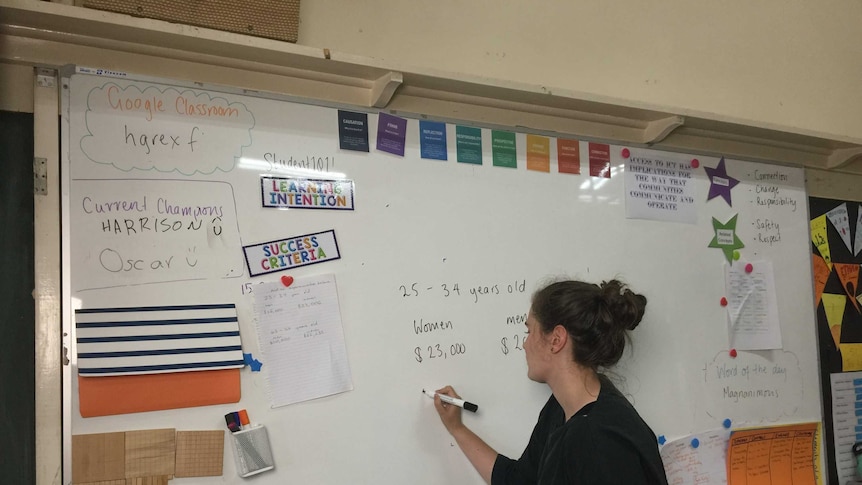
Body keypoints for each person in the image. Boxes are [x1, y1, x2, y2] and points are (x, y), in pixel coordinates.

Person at [431, 278, 668, 485]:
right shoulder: (561, 410)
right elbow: (519, 481)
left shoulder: (597, 439)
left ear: (556, 340)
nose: (524, 344)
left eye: (529, 331)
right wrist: (457, 429)